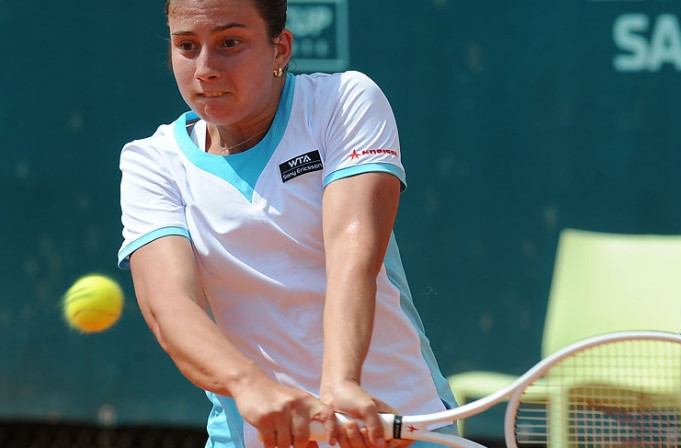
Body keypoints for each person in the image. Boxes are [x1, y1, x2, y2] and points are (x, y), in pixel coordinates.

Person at [117, 0, 457, 447]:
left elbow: (352, 254)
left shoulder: (343, 101)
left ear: (280, 49)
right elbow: (170, 307)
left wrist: (340, 383)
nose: (205, 68)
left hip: (395, 422)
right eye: (187, 46)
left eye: (230, 43)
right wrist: (247, 384)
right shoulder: (151, 163)